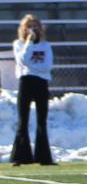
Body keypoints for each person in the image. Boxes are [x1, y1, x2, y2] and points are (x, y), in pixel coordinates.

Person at [10, 14, 53, 166]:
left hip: (41, 83)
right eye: (29, 26)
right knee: (23, 120)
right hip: (26, 82)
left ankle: (44, 157)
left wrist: (32, 67)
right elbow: (22, 59)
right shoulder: (19, 44)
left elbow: (47, 66)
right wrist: (29, 42)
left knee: (42, 120)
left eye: (35, 26)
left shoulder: (45, 45)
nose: (32, 29)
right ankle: (20, 157)